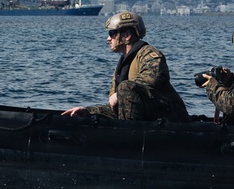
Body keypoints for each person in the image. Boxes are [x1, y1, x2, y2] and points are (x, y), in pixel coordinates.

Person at [61, 11, 189, 122]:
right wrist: (89, 111)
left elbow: (154, 77)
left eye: (112, 33)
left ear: (127, 35)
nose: (108, 39)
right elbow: (120, 106)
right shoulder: (122, 68)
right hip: (144, 118)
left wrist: (119, 93)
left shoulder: (150, 53)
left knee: (125, 87)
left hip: (170, 117)